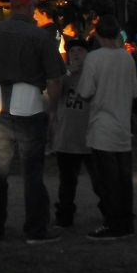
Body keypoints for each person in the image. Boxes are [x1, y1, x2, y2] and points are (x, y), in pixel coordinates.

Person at [0, 0, 66, 244]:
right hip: (30, 105)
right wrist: (53, 109)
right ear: (28, 7)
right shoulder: (39, 37)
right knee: (32, 172)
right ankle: (36, 229)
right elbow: (55, 79)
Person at [76, 14, 137, 240]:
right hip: (122, 123)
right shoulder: (127, 58)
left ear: (99, 35)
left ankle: (112, 223)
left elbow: (84, 91)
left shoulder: (94, 59)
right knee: (124, 177)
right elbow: (134, 91)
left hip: (102, 124)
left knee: (107, 179)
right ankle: (126, 220)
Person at [50, 40, 91, 228]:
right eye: (72, 51)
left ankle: (111, 211)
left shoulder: (93, 75)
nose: (75, 54)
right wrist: (67, 73)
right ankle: (64, 215)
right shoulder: (63, 76)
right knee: (67, 181)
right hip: (66, 136)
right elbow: (52, 96)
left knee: (100, 180)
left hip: (89, 135)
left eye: (80, 51)